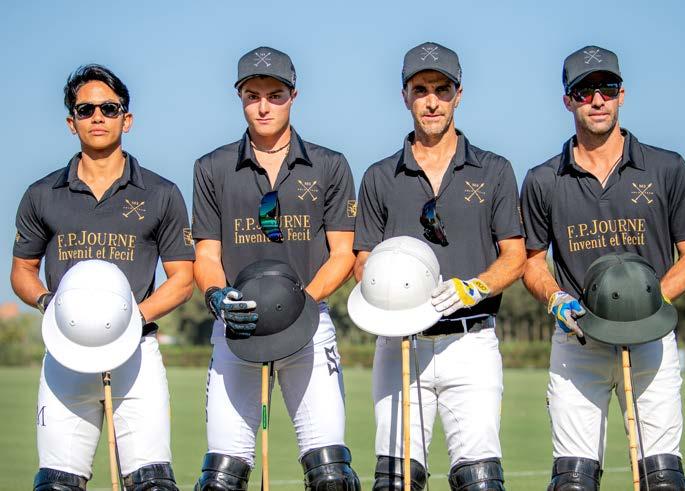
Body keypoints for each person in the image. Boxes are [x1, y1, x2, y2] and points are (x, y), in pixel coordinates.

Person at [521, 45, 685, 490]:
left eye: (607, 88)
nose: (597, 100)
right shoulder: (544, 179)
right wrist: (555, 298)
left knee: (662, 478)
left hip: (650, 338)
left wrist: (645, 304)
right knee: (572, 481)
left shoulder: (666, 167)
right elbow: (530, 261)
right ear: (568, 100)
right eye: (584, 91)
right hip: (578, 337)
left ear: (622, 94)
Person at [11, 64, 195, 490]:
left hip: (137, 355)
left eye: (109, 108)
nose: (98, 117)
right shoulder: (41, 194)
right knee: (57, 484)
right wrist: (47, 303)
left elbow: (183, 279)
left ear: (126, 119)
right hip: (66, 355)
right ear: (71, 122)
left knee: (153, 484)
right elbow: (22, 271)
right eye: (86, 109)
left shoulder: (161, 193)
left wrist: (128, 320)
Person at [353, 42, 526, 491]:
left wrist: (475, 287)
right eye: (420, 90)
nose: (432, 101)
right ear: (405, 96)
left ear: (458, 94)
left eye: (442, 89)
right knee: (396, 481)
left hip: (471, 340)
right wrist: (388, 291)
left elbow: (515, 255)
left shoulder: (494, 170)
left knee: (479, 480)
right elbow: (362, 260)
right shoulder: (379, 176)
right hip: (400, 343)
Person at [192, 46, 360, 490]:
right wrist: (217, 298)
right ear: (240, 98)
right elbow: (206, 256)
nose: (263, 107)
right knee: (220, 479)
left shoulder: (329, 164)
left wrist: (297, 305)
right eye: (252, 96)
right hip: (237, 326)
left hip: (309, 324)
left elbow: (343, 253)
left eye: (275, 95)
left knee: (331, 476)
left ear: (293, 96)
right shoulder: (211, 167)